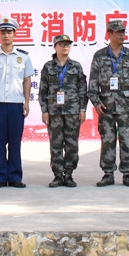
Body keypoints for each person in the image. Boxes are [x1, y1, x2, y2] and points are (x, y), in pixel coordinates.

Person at [88, 20, 129, 187]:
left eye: (123, 31)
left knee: (127, 139)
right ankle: (108, 174)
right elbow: (93, 82)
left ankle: (127, 173)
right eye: (118, 32)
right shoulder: (99, 55)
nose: (122, 34)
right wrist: (96, 102)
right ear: (109, 34)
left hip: (126, 105)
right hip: (106, 105)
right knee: (107, 139)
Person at [0, 17, 33, 189]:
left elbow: (27, 80)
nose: (6, 35)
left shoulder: (23, 57)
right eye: (3, 32)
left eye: (9, 32)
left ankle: (15, 176)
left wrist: (27, 102)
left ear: (14, 34)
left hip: (16, 105)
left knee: (15, 143)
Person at [38, 33, 87, 187]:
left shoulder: (76, 66)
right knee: (56, 144)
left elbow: (82, 89)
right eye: (62, 44)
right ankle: (58, 175)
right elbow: (43, 90)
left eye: (67, 44)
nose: (65, 46)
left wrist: (82, 109)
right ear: (55, 46)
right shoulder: (48, 66)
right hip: (54, 112)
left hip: (72, 111)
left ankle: (69, 174)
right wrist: (44, 110)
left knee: (72, 144)